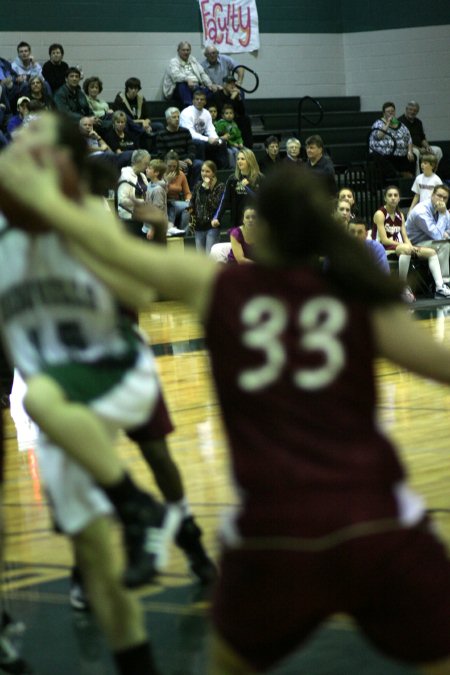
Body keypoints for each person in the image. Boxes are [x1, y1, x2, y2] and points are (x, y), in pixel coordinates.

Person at [7, 160, 450, 675]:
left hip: (274, 531)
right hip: (378, 522)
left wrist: (43, 196)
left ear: (267, 227)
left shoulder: (222, 288)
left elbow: (112, 249)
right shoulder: (357, 301)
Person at [0, 113, 183, 675]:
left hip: (113, 369)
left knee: (42, 399)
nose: (19, 141)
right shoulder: (8, 239)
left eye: (37, 138)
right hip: (60, 400)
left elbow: (139, 289)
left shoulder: (84, 218)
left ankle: (140, 506)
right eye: (20, 135)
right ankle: (136, 659)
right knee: (99, 566)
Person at [373, 186, 449, 301]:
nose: (393, 198)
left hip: (401, 247)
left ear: (399, 199)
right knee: (406, 248)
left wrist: (410, 245)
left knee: (431, 252)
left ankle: (440, 288)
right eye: (390, 195)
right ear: (385, 198)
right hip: (384, 248)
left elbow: (405, 237)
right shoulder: (380, 214)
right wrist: (406, 246)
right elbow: (384, 240)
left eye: (396, 195)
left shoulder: (400, 215)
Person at [406, 184, 450, 280]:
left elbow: (448, 229)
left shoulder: (443, 209)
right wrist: (442, 215)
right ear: (432, 195)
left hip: (429, 241)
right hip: (414, 245)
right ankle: (444, 283)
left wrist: (445, 233)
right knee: (444, 245)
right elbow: (437, 236)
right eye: (439, 196)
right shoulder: (421, 211)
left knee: (445, 243)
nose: (441, 200)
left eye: (445, 198)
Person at [212, 148, 263, 230]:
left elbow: (262, 200)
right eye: (238, 159)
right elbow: (224, 200)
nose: (239, 161)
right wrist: (217, 217)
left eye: (243, 159)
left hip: (256, 222)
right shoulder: (233, 179)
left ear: (250, 160)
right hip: (237, 222)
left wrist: (247, 187)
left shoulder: (260, 178)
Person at [179, 89, 228, 169]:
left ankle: (223, 170)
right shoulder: (186, 112)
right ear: (193, 101)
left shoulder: (206, 113)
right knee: (200, 143)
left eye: (201, 99)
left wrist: (216, 139)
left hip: (202, 138)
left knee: (221, 142)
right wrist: (207, 139)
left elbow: (210, 129)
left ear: (205, 102)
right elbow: (191, 133)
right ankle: (203, 169)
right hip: (188, 139)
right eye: (197, 99)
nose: (199, 101)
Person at [155, 107, 201, 186]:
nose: (177, 119)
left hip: (186, 160)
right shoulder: (161, 134)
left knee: (199, 164)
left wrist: (189, 158)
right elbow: (161, 154)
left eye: (178, 117)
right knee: (173, 167)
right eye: (174, 117)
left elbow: (192, 148)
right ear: (167, 120)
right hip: (171, 162)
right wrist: (176, 162)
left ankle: (194, 190)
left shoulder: (185, 131)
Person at [369, 101, 415, 180]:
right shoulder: (378, 123)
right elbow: (378, 136)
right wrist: (387, 123)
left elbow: (409, 138)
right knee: (380, 159)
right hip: (383, 154)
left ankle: (408, 180)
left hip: (400, 154)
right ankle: (397, 175)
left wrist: (410, 151)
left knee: (413, 157)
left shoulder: (401, 124)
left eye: (392, 111)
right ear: (384, 113)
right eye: (388, 112)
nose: (391, 113)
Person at [162, 42, 216, 106]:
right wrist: (187, 79)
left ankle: (200, 106)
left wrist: (210, 84)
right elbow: (175, 76)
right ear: (178, 51)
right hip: (178, 89)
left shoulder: (193, 60)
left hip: (195, 87)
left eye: (188, 50)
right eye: (183, 50)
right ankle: (189, 106)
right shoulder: (174, 62)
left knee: (211, 91)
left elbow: (202, 73)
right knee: (182, 84)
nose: (186, 52)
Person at [189, 160, 225, 253]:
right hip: (199, 227)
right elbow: (192, 203)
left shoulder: (220, 186)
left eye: (207, 171)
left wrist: (208, 190)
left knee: (210, 256)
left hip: (212, 226)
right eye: (202, 171)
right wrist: (191, 220)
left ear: (213, 173)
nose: (204, 174)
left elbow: (215, 205)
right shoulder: (198, 185)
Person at [398, 101, 443, 175]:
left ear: (417, 112)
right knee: (416, 152)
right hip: (408, 149)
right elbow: (404, 142)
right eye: (410, 109)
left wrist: (427, 147)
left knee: (438, 150)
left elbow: (422, 138)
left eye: (415, 110)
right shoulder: (400, 122)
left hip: (421, 147)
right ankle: (418, 177)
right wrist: (420, 149)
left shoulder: (418, 122)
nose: (412, 112)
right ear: (406, 109)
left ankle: (431, 173)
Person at [164, 151, 191, 231]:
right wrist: (167, 182)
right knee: (173, 206)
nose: (172, 168)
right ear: (165, 164)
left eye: (174, 166)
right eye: (169, 166)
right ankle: (170, 230)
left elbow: (187, 193)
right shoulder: (161, 174)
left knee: (189, 207)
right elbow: (159, 193)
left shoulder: (181, 174)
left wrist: (188, 199)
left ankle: (183, 232)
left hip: (177, 202)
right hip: (165, 202)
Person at [213, 103, 244, 168]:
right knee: (231, 152)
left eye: (231, 113)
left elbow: (239, 136)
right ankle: (232, 168)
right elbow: (222, 137)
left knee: (243, 151)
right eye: (227, 113)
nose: (229, 115)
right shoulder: (221, 124)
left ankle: (240, 167)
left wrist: (240, 142)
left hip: (235, 144)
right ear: (223, 115)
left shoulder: (234, 124)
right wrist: (233, 144)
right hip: (226, 145)